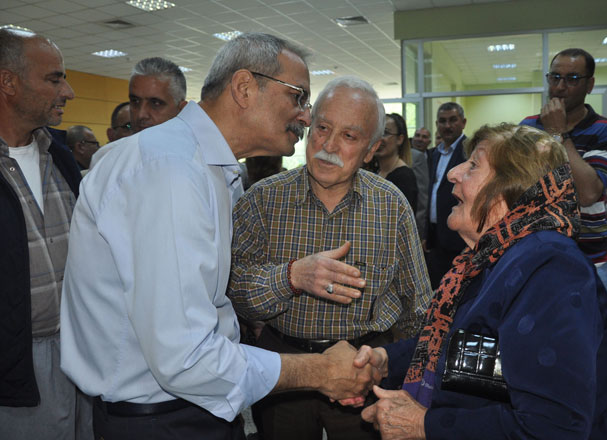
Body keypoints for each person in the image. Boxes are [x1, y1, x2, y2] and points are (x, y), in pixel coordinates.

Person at [60, 33, 378, 440]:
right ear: (245, 87)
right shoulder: (171, 171)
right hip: (161, 419)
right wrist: (319, 371)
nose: (304, 116)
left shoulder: (212, 171)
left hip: (193, 407)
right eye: (298, 98)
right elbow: (185, 356)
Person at [353, 124, 607, 440]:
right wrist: (385, 361)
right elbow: (477, 354)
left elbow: (552, 427)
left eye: (474, 165)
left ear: (512, 189)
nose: (453, 173)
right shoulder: (494, 256)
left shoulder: (550, 268)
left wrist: (422, 425)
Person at [229, 76, 432, 440]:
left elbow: (418, 308)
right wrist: (291, 277)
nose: (328, 145)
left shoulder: (391, 207)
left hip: (365, 368)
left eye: (349, 137)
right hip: (285, 369)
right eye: (322, 128)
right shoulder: (260, 201)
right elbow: (233, 292)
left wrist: (403, 376)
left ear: (371, 150)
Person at [0, 29, 92, 439]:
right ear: (8, 83)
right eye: (54, 79)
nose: (68, 91)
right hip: (17, 363)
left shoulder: (60, 157)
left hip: (80, 348)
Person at [520, 48, 607, 293]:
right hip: (538, 252)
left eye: (572, 79)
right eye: (555, 77)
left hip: (589, 256)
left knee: (591, 329)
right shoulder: (528, 127)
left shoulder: (604, 129)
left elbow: (588, 194)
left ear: (590, 84)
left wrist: (558, 134)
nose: (560, 86)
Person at [90, 57, 187, 169]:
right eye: (135, 101)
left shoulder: (200, 159)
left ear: (181, 110)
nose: (141, 114)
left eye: (155, 103)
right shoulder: (106, 159)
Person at [425, 102, 467, 289]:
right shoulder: (435, 154)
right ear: (437, 125)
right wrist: (427, 232)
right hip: (436, 239)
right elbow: (433, 194)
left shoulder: (469, 152)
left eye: (452, 120)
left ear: (463, 122)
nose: (447, 126)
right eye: (442, 121)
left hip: (459, 240)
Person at [376, 112, 418, 213]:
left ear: (399, 139)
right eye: (377, 133)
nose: (379, 139)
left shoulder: (404, 177)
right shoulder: (376, 171)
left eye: (385, 133)